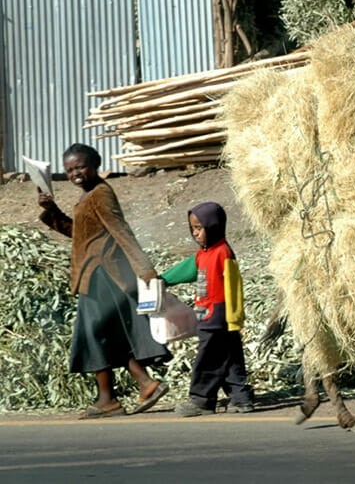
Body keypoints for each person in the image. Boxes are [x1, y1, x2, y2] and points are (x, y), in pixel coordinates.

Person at [37, 143, 171, 419]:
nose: (75, 173)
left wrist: (146, 271)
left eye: (80, 167)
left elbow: (121, 230)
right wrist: (52, 211)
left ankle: (115, 396)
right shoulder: (88, 196)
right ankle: (138, 386)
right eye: (69, 170)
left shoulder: (100, 193)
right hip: (93, 276)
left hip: (103, 275)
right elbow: (80, 233)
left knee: (96, 335)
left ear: (95, 165)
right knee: (104, 336)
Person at [160, 202, 255, 416]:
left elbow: (234, 286)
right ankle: (241, 398)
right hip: (209, 313)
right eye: (192, 228)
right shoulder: (203, 254)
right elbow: (187, 269)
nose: (195, 233)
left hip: (218, 313)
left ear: (213, 226)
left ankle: (201, 400)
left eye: (199, 228)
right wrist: (163, 279)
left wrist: (234, 316)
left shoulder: (223, 253)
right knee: (229, 356)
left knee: (208, 358)